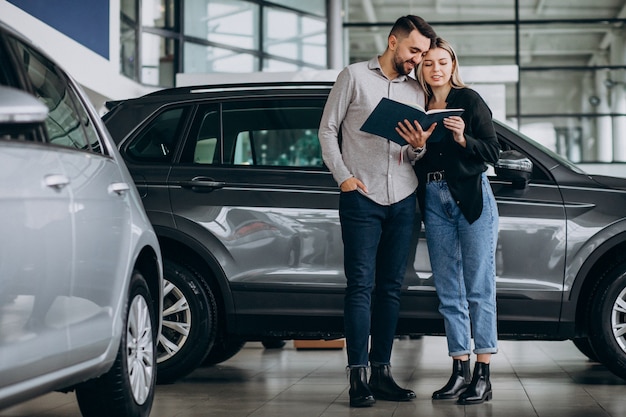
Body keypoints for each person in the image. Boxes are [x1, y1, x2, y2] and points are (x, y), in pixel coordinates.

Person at [318, 15, 437, 408]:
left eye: (422, 54)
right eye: (414, 51)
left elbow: (412, 152)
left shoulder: (417, 89)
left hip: (403, 197)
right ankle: (358, 377)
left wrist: (419, 146)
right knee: (361, 286)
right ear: (392, 42)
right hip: (361, 197)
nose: (418, 60)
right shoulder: (353, 76)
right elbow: (327, 130)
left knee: (390, 288)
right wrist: (344, 178)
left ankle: (383, 372)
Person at [396, 37, 500, 405]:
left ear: (453, 65)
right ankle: (459, 370)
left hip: (472, 199)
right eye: (429, 63)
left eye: (443, 62)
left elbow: (493, 153)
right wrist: (419, 146)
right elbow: (417, 160)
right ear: (422, 69)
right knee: (449, 291)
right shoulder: (418, 106)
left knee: (478, 287)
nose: (436, 68)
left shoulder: (469, 101)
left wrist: (460, 137)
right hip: (435, 201)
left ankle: (483, 375)